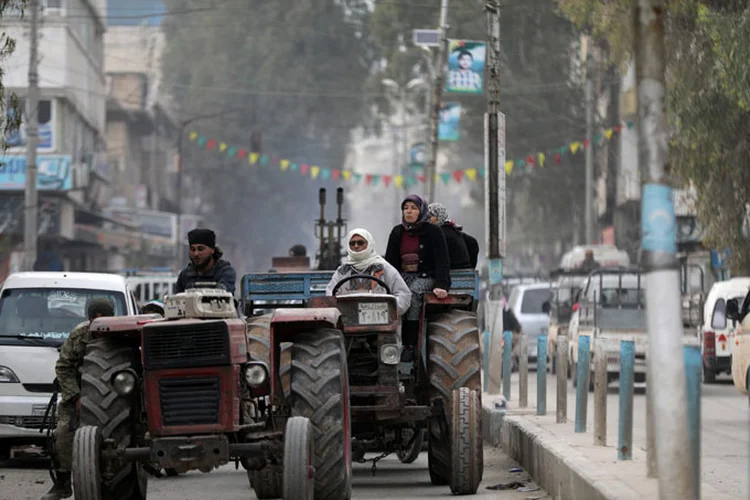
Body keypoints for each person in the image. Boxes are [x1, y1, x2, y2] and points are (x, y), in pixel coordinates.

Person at [42, 298, 115, 500]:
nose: (98, 324)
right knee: (64, 433)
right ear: (89, 318)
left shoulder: (121, 334)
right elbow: (63, 367)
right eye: (94, 319)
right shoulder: (78, 335)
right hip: (79, 393)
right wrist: (75, 396)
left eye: (104, 318)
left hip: (114, 394)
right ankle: (63, 483)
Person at [385, 195, 451, 359]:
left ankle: (409, 345)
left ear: (421, 211)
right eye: (406, 208)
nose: (409, 211)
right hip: (403, 276)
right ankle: (389, 344)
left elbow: (442, 260)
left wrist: (441, 284)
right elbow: (390, 263)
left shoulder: (434, 232)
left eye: (413, 208)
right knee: (392, 298)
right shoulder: (397, 232)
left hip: (426, 276)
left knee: (412, 295)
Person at [326, 228, 411, 318]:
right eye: (352, 243)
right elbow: (330, 295)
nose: (356, 246)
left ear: (369, 244)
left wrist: (387, 309)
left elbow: (403, 295)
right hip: (348, 322)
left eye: (360, 243)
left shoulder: (384, 268)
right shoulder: (342, 271)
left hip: (381, 324)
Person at [175, 228, 237, 295]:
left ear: (212, 250)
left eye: (200, 249)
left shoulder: (225, 272)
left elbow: (224, 294)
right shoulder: (185, 275)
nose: (196, 254)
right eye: (192, 249)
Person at [428, 202, 472, 270]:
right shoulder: (453, 229)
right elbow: (472, 242)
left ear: (439, 217)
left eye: (430, 216)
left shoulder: (441, 233)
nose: (428, 219)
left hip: (454, 271)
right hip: (464, 269)